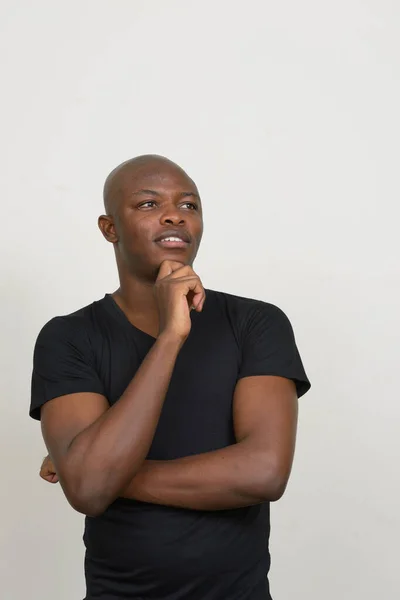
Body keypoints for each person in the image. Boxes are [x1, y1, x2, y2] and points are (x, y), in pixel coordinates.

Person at [30, 154, 311, 600]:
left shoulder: (256, 323)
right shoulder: (69, 337)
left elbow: (264, 472)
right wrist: (170, 337)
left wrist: (97, 474)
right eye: (147, 203)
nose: (175, 214)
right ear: (109, 229)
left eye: (190, 205)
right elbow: (88, 487)